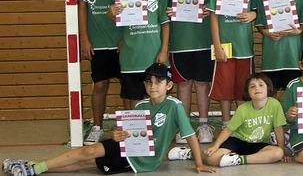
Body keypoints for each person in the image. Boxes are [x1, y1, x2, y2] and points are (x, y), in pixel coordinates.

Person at [2, 63, 217, 175]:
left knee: (87, 163)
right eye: (149, 82)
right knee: (88, 151)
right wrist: (113, 134)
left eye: (159, 82)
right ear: (144, 85)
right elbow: (117, 133)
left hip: (141, 162)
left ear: (169, 86)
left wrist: (198, 163)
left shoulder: (175, 106)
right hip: (125, 146)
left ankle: (33, 167)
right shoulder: (140, 106)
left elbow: (190, 136)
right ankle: (32, 169)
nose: (153, 86)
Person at [161, 0, 215, 144]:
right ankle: (184, 127)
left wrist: (207, 10)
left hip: (203, 42)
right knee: (182, 86)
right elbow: (162, 11)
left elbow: (213, 6)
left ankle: (203, 124)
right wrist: (168, 11)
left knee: (202, 84)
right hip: (179, 44)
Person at [77, 0, 128, 145]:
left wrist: (126, 37)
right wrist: (84, 38)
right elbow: (82, 8)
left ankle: (129, 127)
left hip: (120, 42)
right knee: (100, 85)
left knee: (128, 86)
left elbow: (129, 8)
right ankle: (97, 127)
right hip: (97, 42)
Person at [206, 0, 260, 128]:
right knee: (224, 87)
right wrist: (217, 45)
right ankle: (226, 123)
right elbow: (213, 15)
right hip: (224, 44)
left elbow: (256, 10)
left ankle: (242, 122)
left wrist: (253, 15)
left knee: (243, 87)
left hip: (244, 45)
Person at [107, 0, 170, 110]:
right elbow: (120, 21)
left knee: (157, 96)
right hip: (131, 57)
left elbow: (165, 23)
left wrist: (163, 50)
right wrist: (111, 14)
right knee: (132, 99)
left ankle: (159, 131)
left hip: (153, 55)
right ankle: (134, 134)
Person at [202, 73, 288, 167]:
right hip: (237, 141)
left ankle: (239, 160)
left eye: (261, 85)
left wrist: (282, 151)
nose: (257, 88)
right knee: (211, 158)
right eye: (252, 86)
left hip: (259, 143)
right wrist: (215, 146)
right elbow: (228, 129)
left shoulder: (275, 105)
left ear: (268, 88)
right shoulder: (242, 109)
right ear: (248, 92)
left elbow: (278, 129)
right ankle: (236, 158)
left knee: (278, 153)